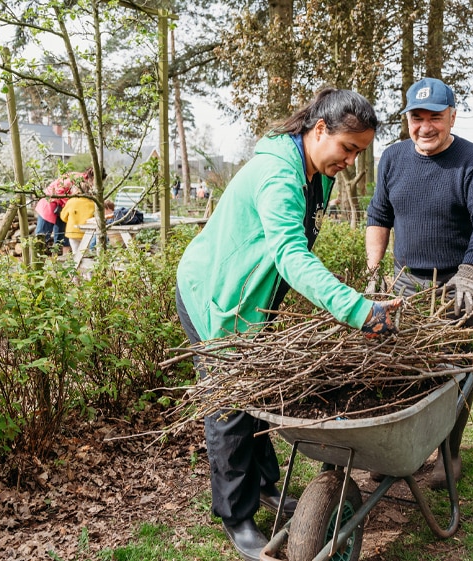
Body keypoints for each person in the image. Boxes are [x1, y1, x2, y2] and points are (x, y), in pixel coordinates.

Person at [175, 88, 403, 561]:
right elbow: (290, 255)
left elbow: (289, 254)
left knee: (258, 392)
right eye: (348, 148)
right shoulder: (277, 175)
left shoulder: (313, 172)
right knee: (231, 406)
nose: (352, 162)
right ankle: (236, 516)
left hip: (250, 300)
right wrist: (357, 309)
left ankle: (262, 487)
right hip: (215, 296)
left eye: (359, 152)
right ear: (319, 130)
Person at [365, 77, 473, 490]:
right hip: (405, 284)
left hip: (455, 284)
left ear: (452, 117)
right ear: (407, 119)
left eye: (435, 118)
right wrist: (375, 275)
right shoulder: (392, 159)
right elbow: (378, 216)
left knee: (454, 371)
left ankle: (449, 454)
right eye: (417, 117)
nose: (425, 127)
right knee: (395, 367)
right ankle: (398, 451)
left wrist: (470, 271)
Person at [35, 171, 86, 251]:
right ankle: (36, 259)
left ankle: (60, 258)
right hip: (49, 204)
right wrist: (70, 203)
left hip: (61, 209)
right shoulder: (77, 178)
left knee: (62, 238)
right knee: (42, 237)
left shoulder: (81, 179)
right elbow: (58, 190)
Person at [60, 174, 97, 253]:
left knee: (76, 253)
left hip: (73, 232)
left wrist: (71, 220)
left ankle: (77, 265)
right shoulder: (92, 203)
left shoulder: (71, 201)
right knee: (85, 253)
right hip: (87, 233)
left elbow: (63, 217)